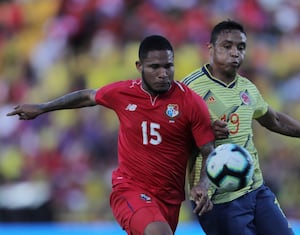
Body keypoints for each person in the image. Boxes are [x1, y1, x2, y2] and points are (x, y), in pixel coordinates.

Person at [7, 35, 215, 235]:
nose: (163, 73)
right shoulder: (123, 93)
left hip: (170, 199)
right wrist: (42, 108)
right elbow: (87, 96)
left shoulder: (191, 103)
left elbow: (207, 150)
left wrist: (203, 183)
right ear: (139, 66)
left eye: (168, 66)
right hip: (130, 189)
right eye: (155, 67)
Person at [182, 20, 300, 235]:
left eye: (240, 47)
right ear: (211, 48)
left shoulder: (247, 88)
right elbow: (172, 137)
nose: (235, 53)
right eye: (227, 46)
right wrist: (202, 133)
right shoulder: (189, 88)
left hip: (255, 190)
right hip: (217, 200)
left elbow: (276, 120)